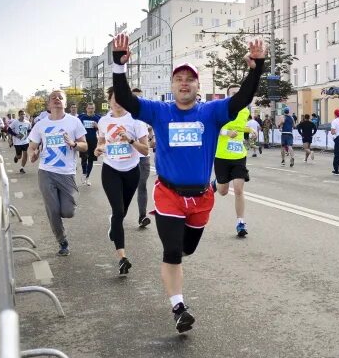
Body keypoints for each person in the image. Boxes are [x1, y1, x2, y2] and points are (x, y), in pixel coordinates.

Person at [110, 33, 265, 334]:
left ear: (198, 86)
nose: (184, 82)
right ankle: (179, 307)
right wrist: (119, 66)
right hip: (168, 195)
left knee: (187, 250)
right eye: (178, 78)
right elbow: (127, 100)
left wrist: (256, 68)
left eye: (189, 79)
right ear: (172, 85)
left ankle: (175, 265)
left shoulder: (211, 112)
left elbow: (242, 99)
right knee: (171, 251)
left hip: (201, 198)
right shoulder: (159, 111)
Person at [94, 88, 149, 276]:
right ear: (108, 101)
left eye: (120, 98)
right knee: (118, 212)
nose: (116, 102)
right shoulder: (103, 121)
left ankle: (114, 223)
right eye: (113, 99)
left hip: (132, 171)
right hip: (110, 169)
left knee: (122, 213)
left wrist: (131, 140)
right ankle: (122, 258)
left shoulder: (136, 121)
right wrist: (98, 149)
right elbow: (101, 141)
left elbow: (145, 151)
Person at [27, 90, 87, 256]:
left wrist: (74, 144)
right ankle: (62, 241)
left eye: (60, 98)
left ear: (65, 103)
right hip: (46, 171)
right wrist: (33, 154)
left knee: (68, 211)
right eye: (53, 98)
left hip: (67, 173)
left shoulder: (74, 122)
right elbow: (32, 146)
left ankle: (62, 213)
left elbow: (85, 145)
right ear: (48, 104)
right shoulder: (40, 125)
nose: (57, 100)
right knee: (52, 210)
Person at [213, 85, 254, 238]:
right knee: (223, 191)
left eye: (239, 93)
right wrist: (226, 132)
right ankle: (215, 183)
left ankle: (240, 222)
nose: (237, 96)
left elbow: (241, 127)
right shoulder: (221, 110)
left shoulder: (245, 110)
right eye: (233, 94)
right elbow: (212, 128)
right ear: (228, 96)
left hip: (239, 155)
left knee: (238, 189)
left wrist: (251, 131)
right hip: (222, 155)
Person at [131, 88, 153, 228]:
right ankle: (118, 213)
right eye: (135, 98)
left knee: (142, 185)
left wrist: (151, 135)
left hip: (143, 158)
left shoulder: (146, 116)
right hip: (126, 158)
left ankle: (142, 216)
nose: (138, 101)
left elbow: (150, 137)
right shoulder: (123, 117)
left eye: (140, 98)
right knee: (124, 188)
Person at [77, 103, 101, 186]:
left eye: (92, 108)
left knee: (90, 159)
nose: (91, 110)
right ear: (86, 109)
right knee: (84, 158)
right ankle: (84, 173)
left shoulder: (98, 118)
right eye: (89, 108)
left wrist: (97, 126)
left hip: (93, 141)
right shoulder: (81, 117)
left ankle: (87, 177)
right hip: (83, 141)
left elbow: (103, 131)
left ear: (94, 109)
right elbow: (76, 128)